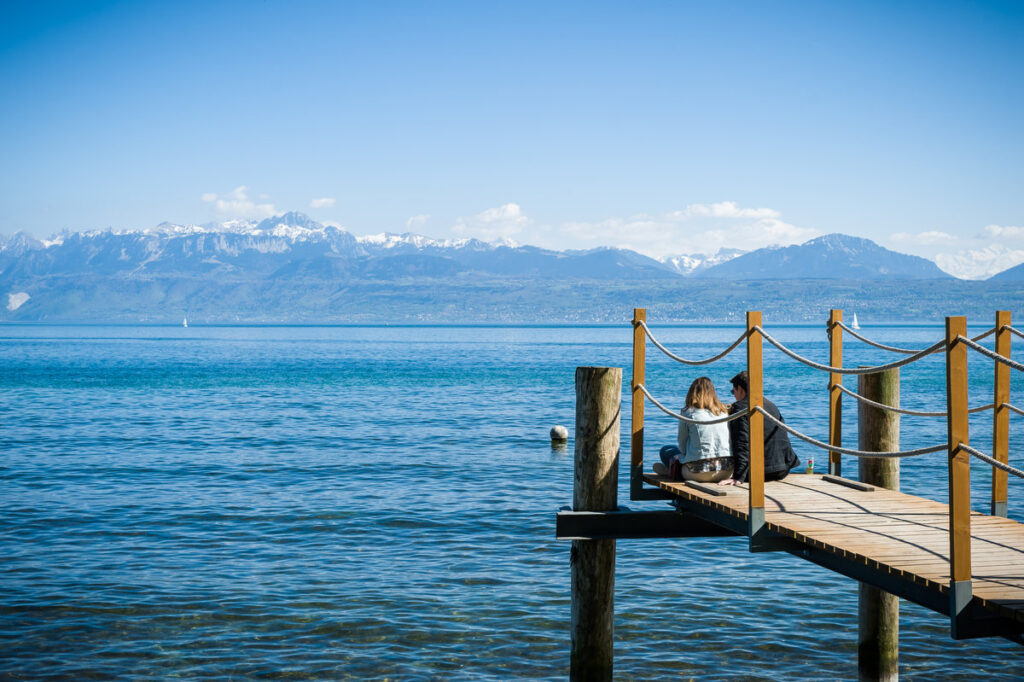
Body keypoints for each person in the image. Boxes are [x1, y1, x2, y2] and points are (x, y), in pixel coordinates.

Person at [719, 371, 800, 486]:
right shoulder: (770, 405)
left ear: (741, 389)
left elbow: (742, 442)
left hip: (762, 472)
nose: (734, 395)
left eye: (733, 391)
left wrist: (738, 476)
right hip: (784, 469)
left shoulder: (740, 408)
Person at [653, 376, 734, 483]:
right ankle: (671, 470)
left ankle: (671, 471)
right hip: (726, 471)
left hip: (698, 473)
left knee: (667, 450)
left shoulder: (688, 413)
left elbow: (682, 446)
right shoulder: (724, 412)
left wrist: (685, 455)